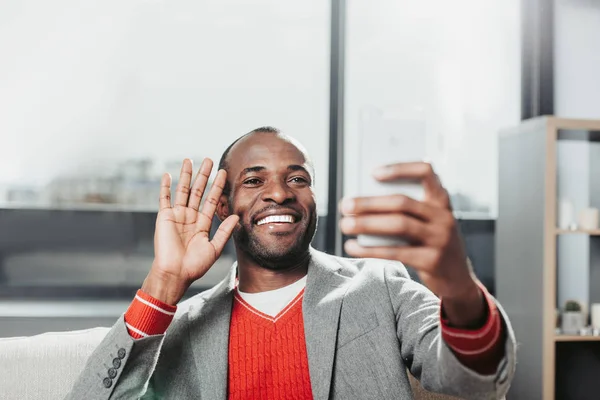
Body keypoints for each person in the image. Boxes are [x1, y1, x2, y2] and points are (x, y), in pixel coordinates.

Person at [66, 127, 515, 400]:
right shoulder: (179, 327)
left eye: (296, 178)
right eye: (254, 180)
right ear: (224, 207)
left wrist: (458, 285)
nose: (279, 193)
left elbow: (477, 382)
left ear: (313, 199)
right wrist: (163, 283)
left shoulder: (379, 284)